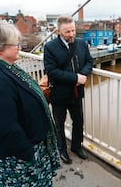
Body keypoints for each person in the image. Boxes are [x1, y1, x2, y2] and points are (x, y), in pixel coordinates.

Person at [0, 20, 60, 186]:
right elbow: (5, 129)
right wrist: (28, 154)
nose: (20, 46)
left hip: (26, 150)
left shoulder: (6, 67)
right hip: (16, 161)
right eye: (16, 43)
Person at [43, 15, 93, 164]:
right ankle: (62, 150)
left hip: (77, 93)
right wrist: (76, 78)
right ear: (58, 31)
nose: (71, 34)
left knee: (78, 122)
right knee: (59, 125)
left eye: (73, 31)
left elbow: (89, 61)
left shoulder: (81, 44)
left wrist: (83, 74)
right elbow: (51, 71)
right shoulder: (50, 47)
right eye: (67, 32)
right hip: (59, 94)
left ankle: (76, 147)